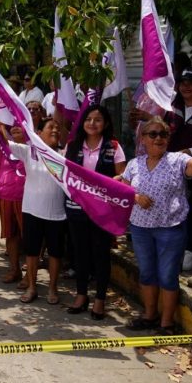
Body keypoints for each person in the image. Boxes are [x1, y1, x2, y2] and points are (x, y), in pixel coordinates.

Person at [120, 117, 192, 334]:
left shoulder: (178, 160)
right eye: (152, 134)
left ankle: (167, 323)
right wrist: (136, 197)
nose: (158, 138)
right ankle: (149, 315)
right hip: (140, 228)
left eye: (163, 134)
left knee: (167, 275)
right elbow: (124, 190)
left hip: (170, 228)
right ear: (143, 139)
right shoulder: (134, 164)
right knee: (147, 273)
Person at [131, 67, 192, 271]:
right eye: (182, 82)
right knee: (165, 203)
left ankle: (190, 249)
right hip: (166, 168)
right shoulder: (170, 106)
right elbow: (157, 128)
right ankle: (163, 245)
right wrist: (147, 117)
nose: (186, 86)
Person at [62, 105, 126, 319]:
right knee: (80, 252)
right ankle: (81, 295)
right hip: (76, 208)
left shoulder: (114, 147)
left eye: (97, 120)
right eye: (88, 119)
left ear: (105, 124)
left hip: (103, 211)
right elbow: (64, 173)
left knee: (101, 253)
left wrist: (108, 183)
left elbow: (122, 177)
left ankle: (100, 299)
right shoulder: (72, 145)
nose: (92, 123)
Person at [9, 117, 67, 303]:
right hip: (32, 211)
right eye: (51, 127)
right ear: (39, 133)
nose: (55, 130)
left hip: (57, 213)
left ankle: (52, 288)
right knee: (32, 252)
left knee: (55, 253)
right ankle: (32, 287)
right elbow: (1, 143)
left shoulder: (65, 154)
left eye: (57, 128)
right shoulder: (28, 151)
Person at [0, 123, 26, 284]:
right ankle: (14, 270)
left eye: (18, 126)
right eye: (12, 126)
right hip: (5, 195)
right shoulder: (2, 144)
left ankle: (30, 274)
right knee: (10, 234)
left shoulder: (32, 146)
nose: (15, 128)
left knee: (28, 236)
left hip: (26, 197)